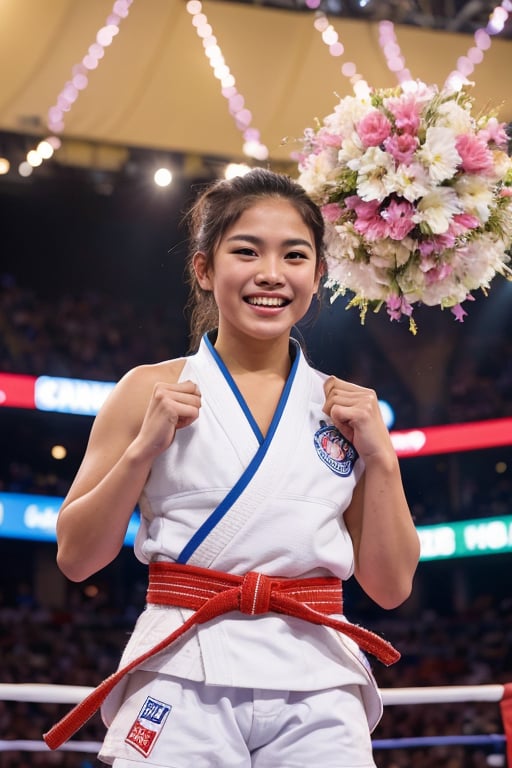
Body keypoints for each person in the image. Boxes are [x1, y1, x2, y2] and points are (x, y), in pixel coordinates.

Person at [46, 168, 420, 767]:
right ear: (204, 269)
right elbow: (76, 557)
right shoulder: (150, 389)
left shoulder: (347, 408)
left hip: (317, 675)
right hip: (182, 661)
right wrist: (143, 450)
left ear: (317, 276)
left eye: (294, 255)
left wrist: (383, 460)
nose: (271, 273)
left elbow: (391, 586)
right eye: (246, 251)